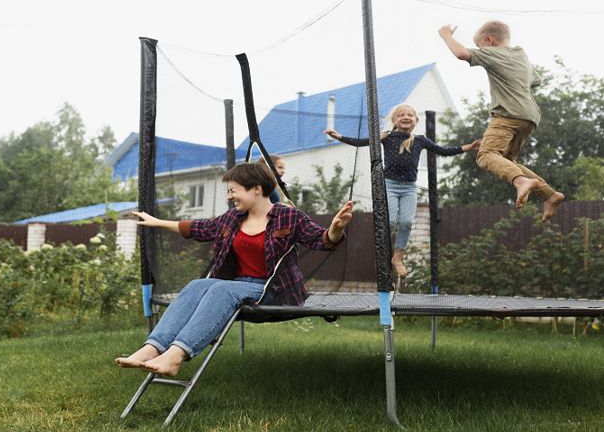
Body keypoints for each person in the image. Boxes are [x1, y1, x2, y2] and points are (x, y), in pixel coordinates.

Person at [115, 162, 353, 376]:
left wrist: (336, 228)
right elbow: (197, 227)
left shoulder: (289, 216)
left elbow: (322, 240)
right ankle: (152, 348)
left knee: (223, 291)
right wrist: (156, 222)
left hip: (275, 290)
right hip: (240, 284)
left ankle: (175, 356)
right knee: (196, 285)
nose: (230, 196)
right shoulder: (232, 218)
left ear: (256, 189)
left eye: (233, 190)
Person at [325, 104, 480, 277]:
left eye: (410, 115)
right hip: (389, 185)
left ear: (416, 120)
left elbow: (443, 150)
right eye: (401, 115)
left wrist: (468, 147)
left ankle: (397, 257)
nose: (406, 117)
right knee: (390, 223)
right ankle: (384, 254)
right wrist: (339, 137)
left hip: (409, 188)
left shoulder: (420, 140)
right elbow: (362, 142)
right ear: (394, 121)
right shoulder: (386, 137)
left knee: (406, 222)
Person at [439, 21, 564, 222]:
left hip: (507, 115)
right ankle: (549, 195)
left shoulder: (495, 52)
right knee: (506, 162)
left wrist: (446, 35)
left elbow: (462, 53)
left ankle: (522, 181)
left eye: (482, 47)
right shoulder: (521, 56)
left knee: (486, 155)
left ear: (490, 40)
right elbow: (536, 80)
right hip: (529, 117)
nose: (482, 52)